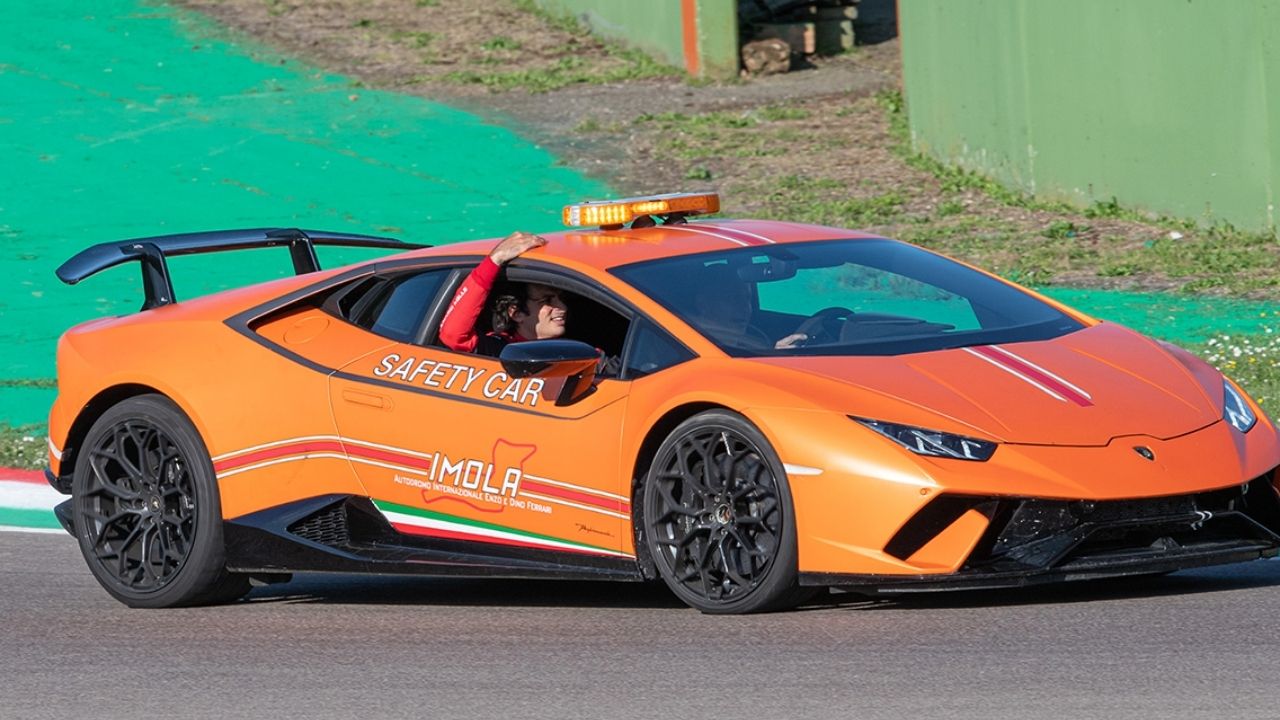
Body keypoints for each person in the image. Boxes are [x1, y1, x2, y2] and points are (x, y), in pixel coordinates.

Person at [439, 231, 568, 356]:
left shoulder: (574, 342)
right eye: (547, 300)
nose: (563, 308)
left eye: (561, 298)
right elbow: (453, 336)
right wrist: (495, 260)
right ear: (516, 313)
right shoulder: (501, 350)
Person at [689, 265, 806, 350]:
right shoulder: (689, 347)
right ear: (703, 304)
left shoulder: (755, 339)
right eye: (732, 298)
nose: (744, 307)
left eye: (747, 298)